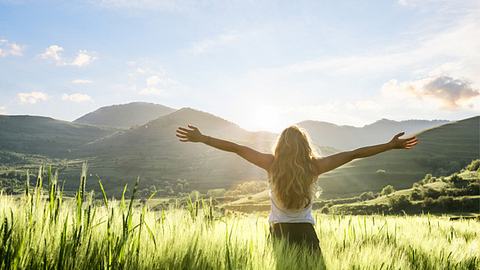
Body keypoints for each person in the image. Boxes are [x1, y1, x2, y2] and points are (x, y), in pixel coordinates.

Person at [175, 124, 418, 255]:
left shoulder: (270, 164)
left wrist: (203, 138)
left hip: (278, 232)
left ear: (281, 145)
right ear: (305, 145)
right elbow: (354, 153)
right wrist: (389, 146)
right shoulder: (315, 167)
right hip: (306, 232)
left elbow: (237, 148)